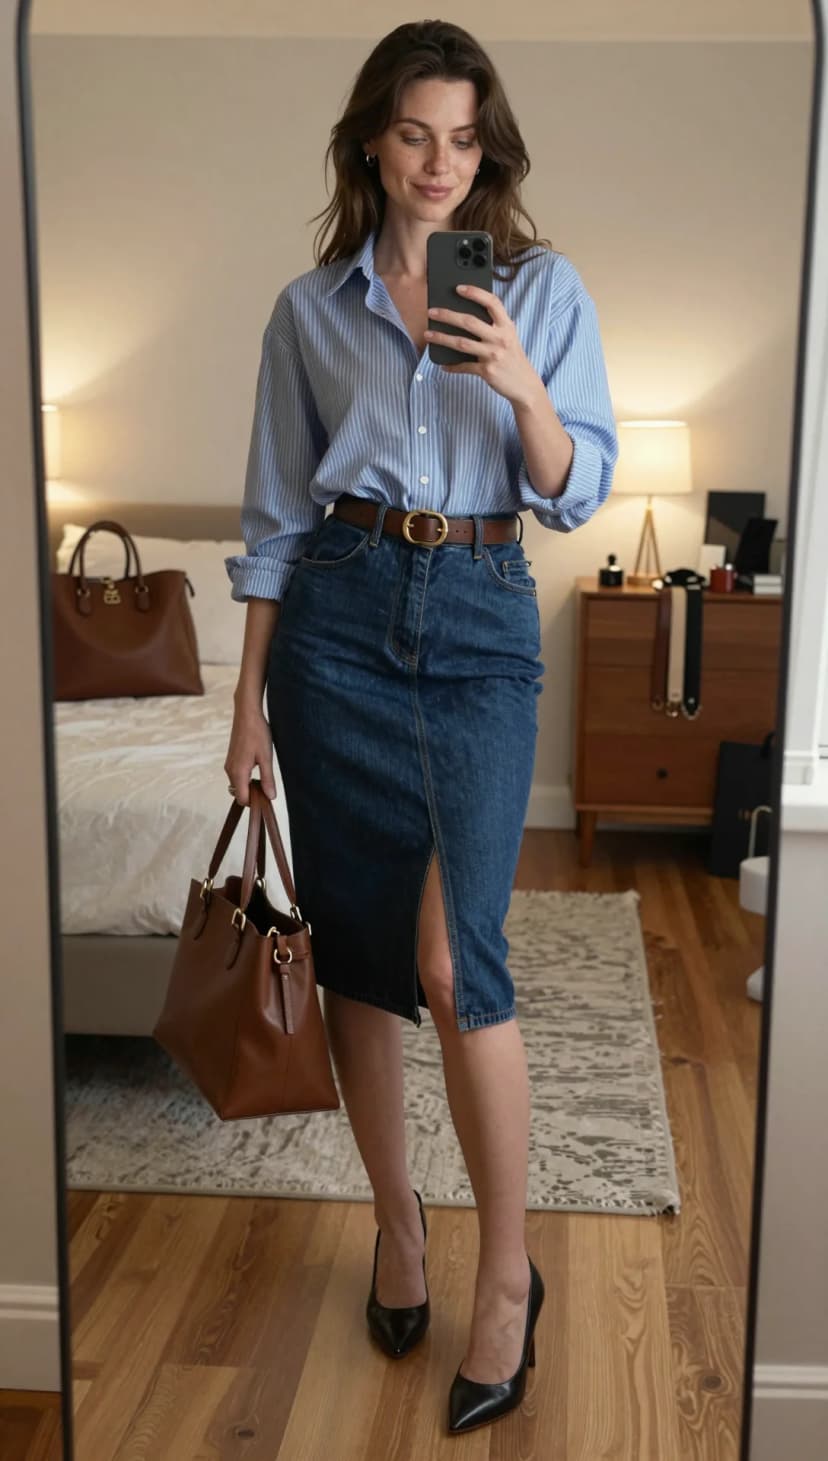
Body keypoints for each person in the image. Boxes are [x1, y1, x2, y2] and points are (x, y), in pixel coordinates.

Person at [223, 18, 618, 1437]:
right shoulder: (308, 311)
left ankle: (505, 1277)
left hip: (479, 613)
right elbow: (273, 518)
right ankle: (401, 1228)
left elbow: (575, 488)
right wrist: (247, 700)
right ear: (371, 145)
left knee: (460, 963)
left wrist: (519, 383)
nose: (439, 164)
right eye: (412, 134)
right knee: (366, 961)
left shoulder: (541, 286)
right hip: (333, 617)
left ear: (485, 147)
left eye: (463, 137)